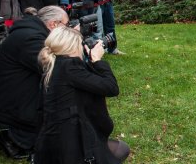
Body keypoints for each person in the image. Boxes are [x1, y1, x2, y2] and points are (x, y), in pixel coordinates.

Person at [0, 6, 70, 160]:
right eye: (66, 26)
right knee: (52, 106)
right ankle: (14, 140)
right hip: (2, 103)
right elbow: (52, 67)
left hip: (8, 95)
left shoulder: (31, 32)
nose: (67, 30)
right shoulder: (31, 38)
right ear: (53, 24)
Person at [34, 26, 129, 163]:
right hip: (72, 145)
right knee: (121, 149)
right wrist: (97, 60)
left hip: (51, 142)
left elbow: (89, 81)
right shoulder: (69, 68)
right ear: (73, 47)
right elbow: (111, 88)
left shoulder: (53, 64)